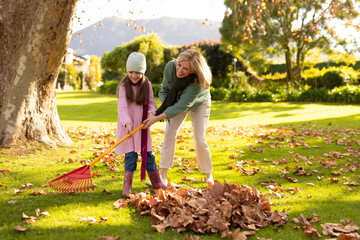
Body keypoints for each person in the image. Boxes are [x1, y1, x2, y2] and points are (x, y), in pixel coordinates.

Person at [143, 49, 214, 188]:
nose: (180, 70)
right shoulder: (171, 67)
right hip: (175, 101)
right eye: (179, 65)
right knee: (169, 134)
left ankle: (209, 176)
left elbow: (182, 106)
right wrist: (163, 106)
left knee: (199, 138)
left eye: (185, 68)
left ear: (194, 71)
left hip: (200, 102)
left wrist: (157, 118)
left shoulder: (197, 84)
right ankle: (163, 178)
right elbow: (164, 90)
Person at [115, 52, 166, 198]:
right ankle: (127, 187)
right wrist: (127, 123)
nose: (134, 75)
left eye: (137, 72)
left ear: (142, 72)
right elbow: (122, 107)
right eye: (131, 72)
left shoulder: (146, 84)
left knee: (148, 155)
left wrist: (151, 114)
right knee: (130, 156)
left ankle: (157, 183)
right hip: (129, 126)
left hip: (142, 126)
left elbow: (151, 102)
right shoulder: (124, 86)